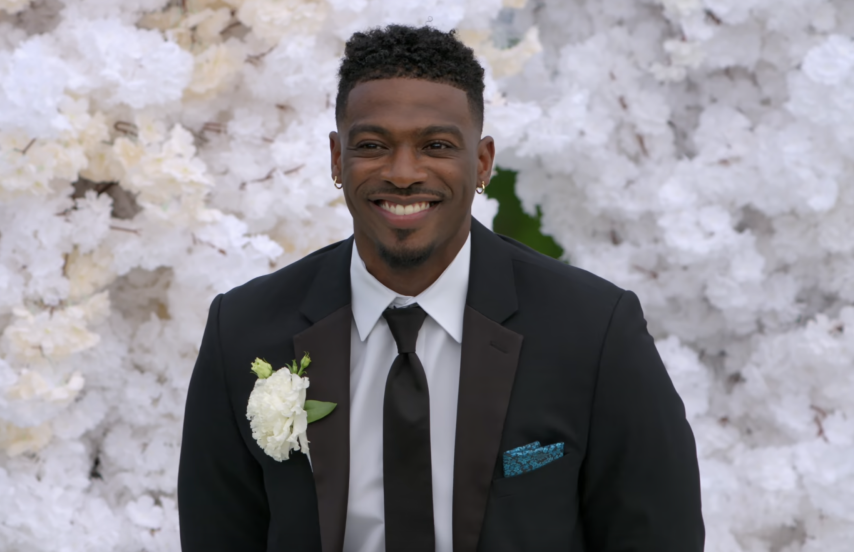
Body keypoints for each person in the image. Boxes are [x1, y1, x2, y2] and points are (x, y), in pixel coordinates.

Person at [178, 24, 704, 552]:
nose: (403, 173)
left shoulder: (595, 331)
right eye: (372, 145)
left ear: (481, 162)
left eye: (435, 145)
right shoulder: (243, 332)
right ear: (338, 159)